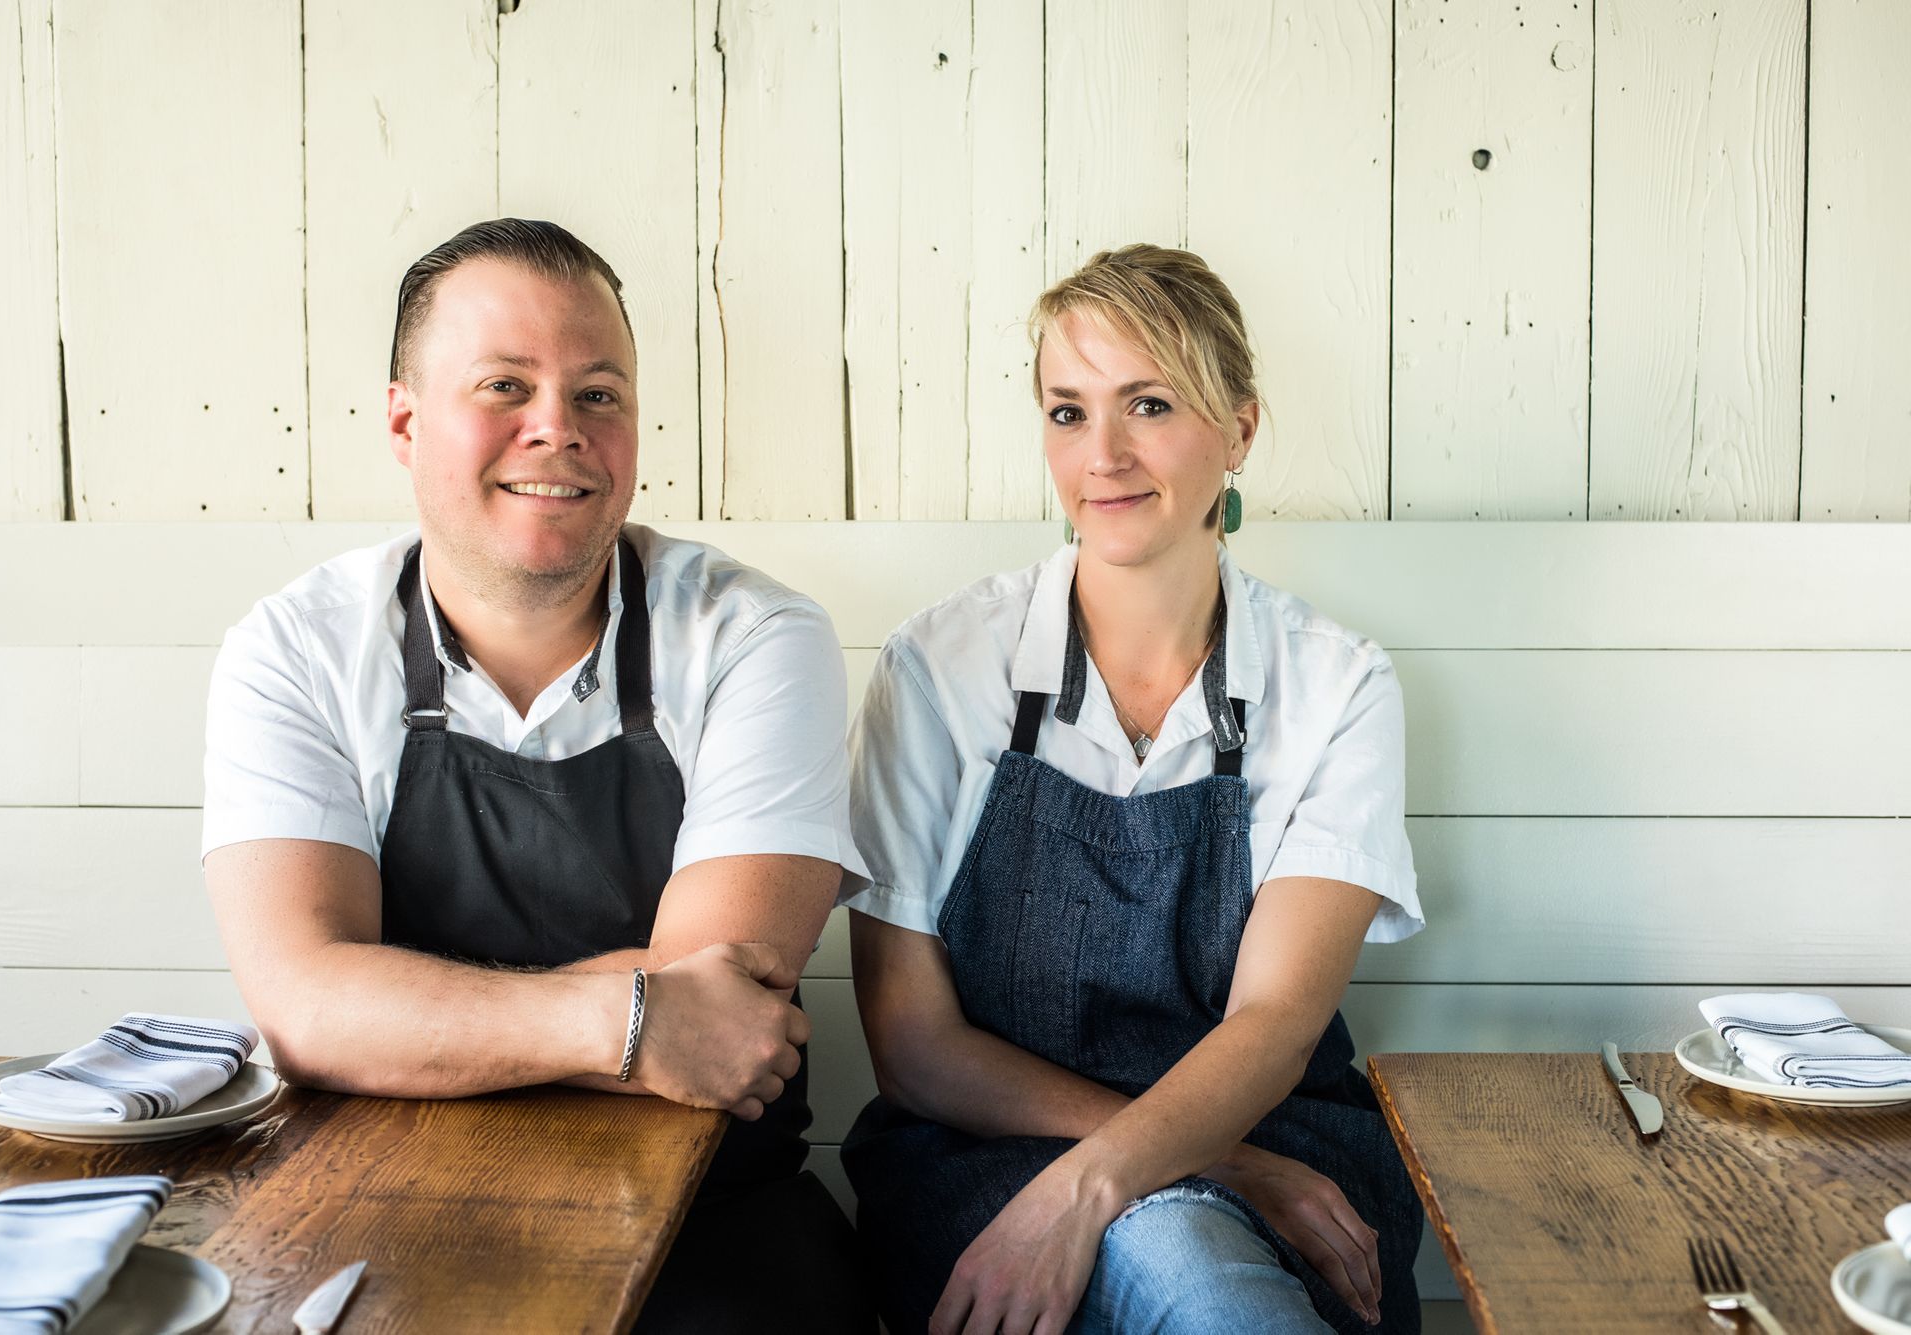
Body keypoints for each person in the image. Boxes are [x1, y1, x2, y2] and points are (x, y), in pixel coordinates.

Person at [201, 218, 871, 1332]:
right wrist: (636, 1024)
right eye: (504, 385)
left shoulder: (755, 638)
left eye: (597, 394)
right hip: (378, 1213)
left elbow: (731, 1006)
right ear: (406, 422)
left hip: (716, 1227)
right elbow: (305, 1011)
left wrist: (402, 1014)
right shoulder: (297, 650)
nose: (556, 428)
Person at [839, 244, 1428, 1333]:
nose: (1100, 455)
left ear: (1239, 430)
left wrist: (1113, 1179)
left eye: (1146, 406)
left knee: (1185, 1261)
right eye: (1066, 413)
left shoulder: (1334, 685)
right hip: (985, 1155)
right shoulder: (938, 668)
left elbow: (1273, 1023)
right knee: (1181, 1264)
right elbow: (913, 1045)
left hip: (1284, 1133)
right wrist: (1189, 1173)